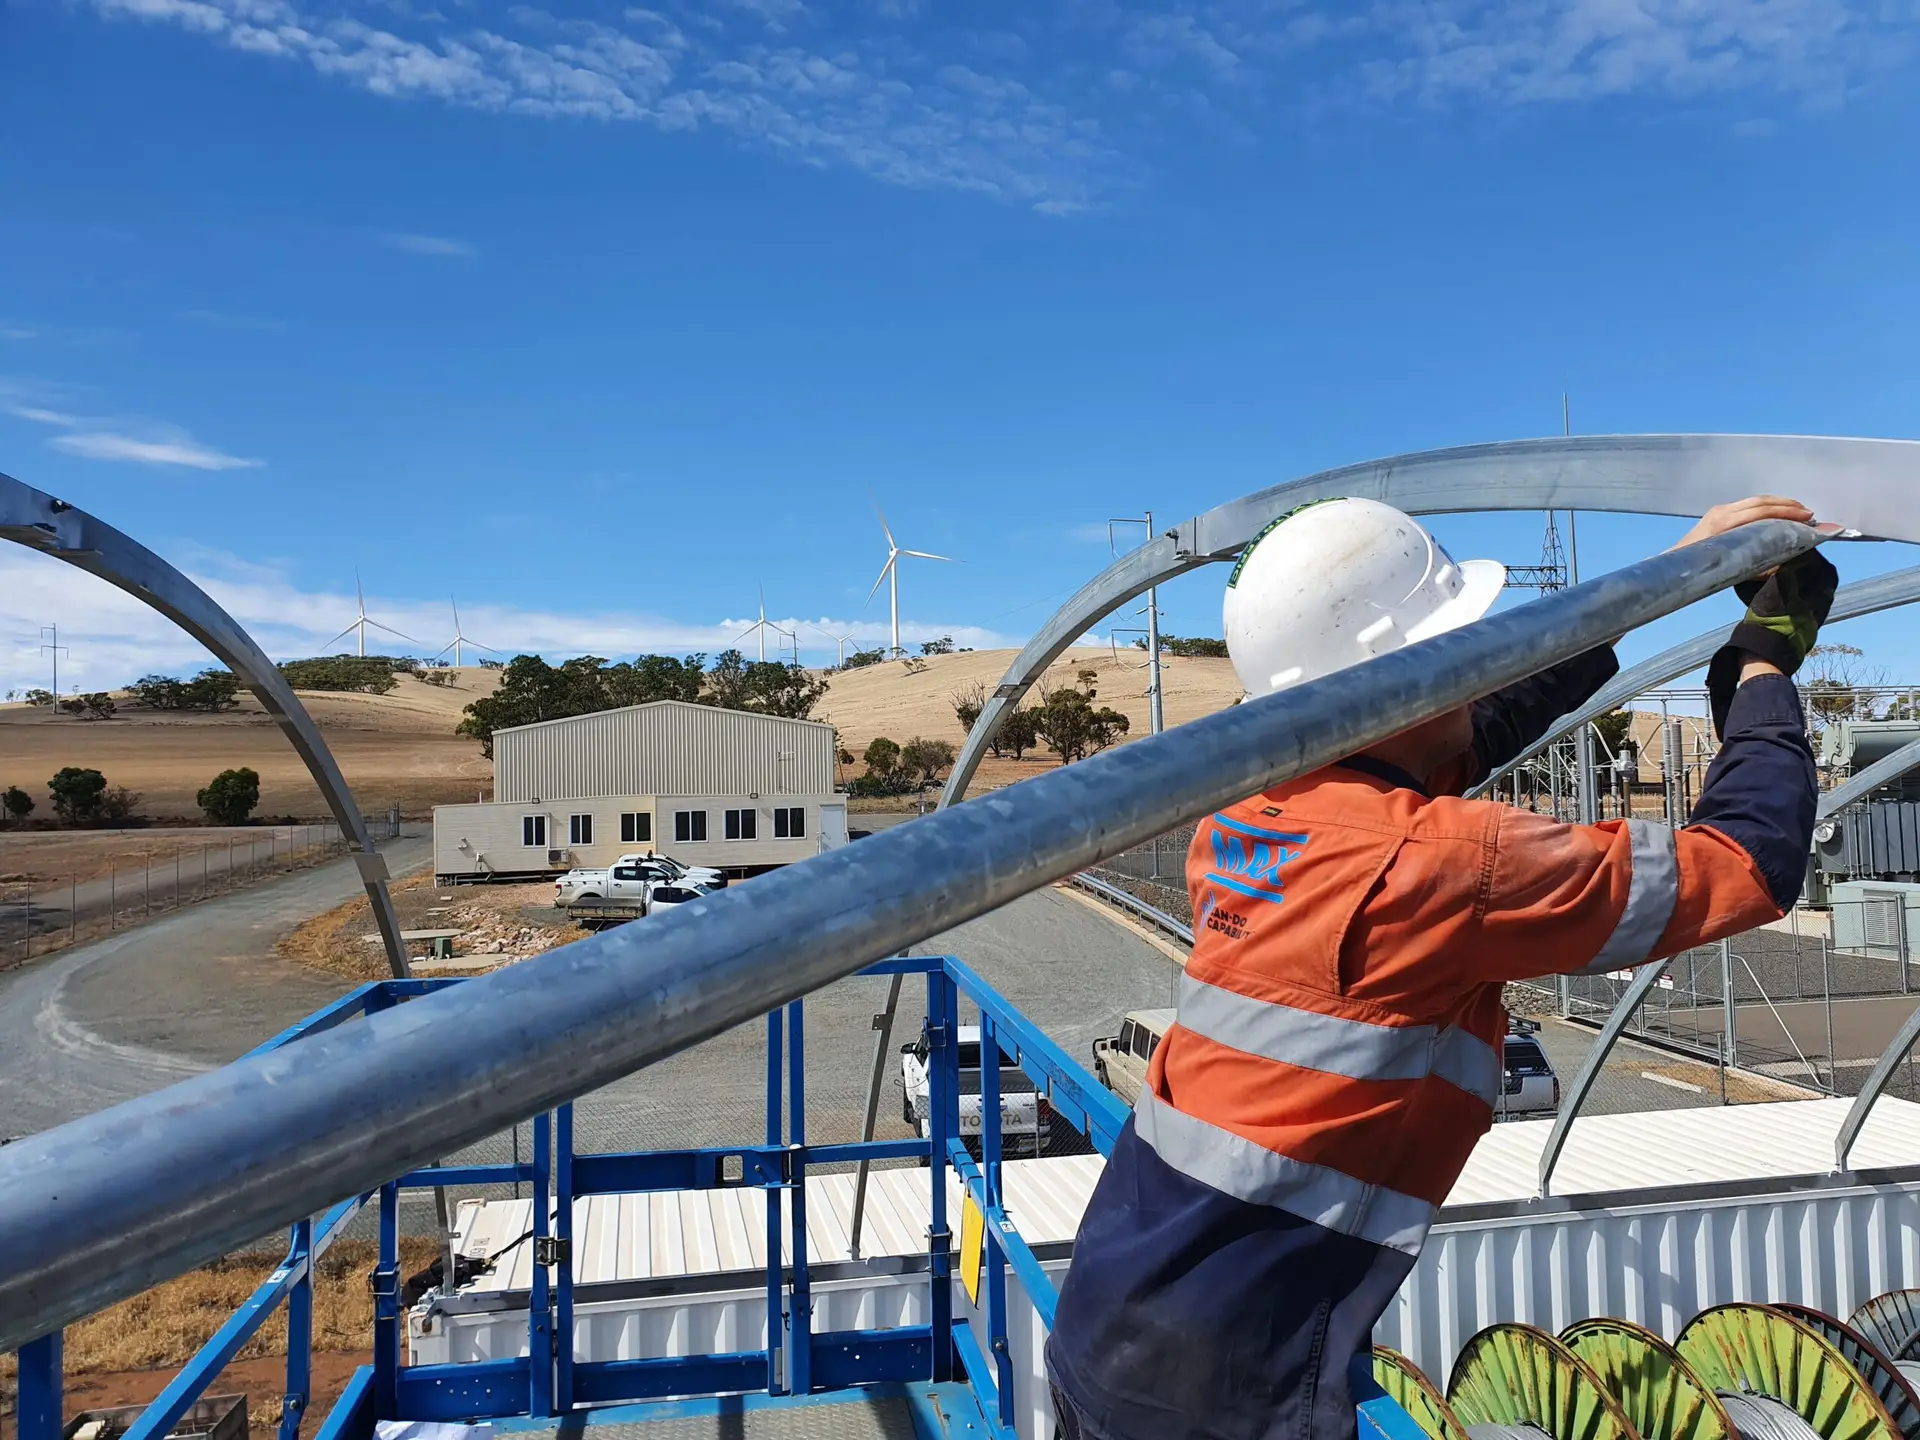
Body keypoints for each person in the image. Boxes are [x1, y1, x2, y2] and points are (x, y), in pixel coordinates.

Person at [1044, 494, 1835, 1440]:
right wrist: (1760, 665)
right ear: (1408, 684)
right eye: (1454, 655)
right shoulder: (1444, 866)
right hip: (1229, 1389)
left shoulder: (1249, 811)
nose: (1474, 676)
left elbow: (1465, 735)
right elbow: (1750, 861)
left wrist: (1665, 580)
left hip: (1109, 1320)